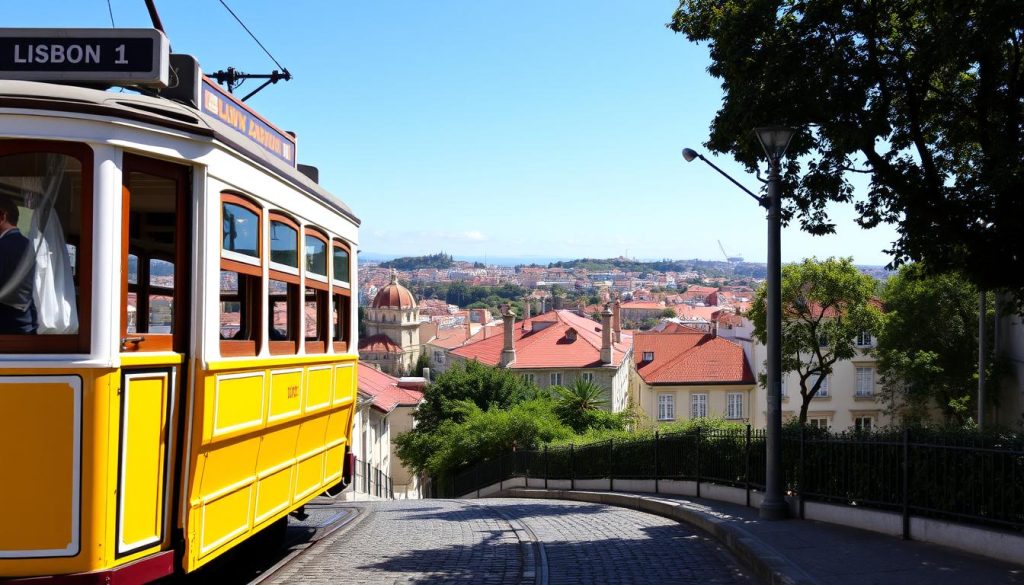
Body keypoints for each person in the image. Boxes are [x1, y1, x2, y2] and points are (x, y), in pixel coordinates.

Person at [0, 195, 37, 334]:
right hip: (25, 323)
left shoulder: (2, 246)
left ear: (2, 217)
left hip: (6, 327)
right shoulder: (27, 244)